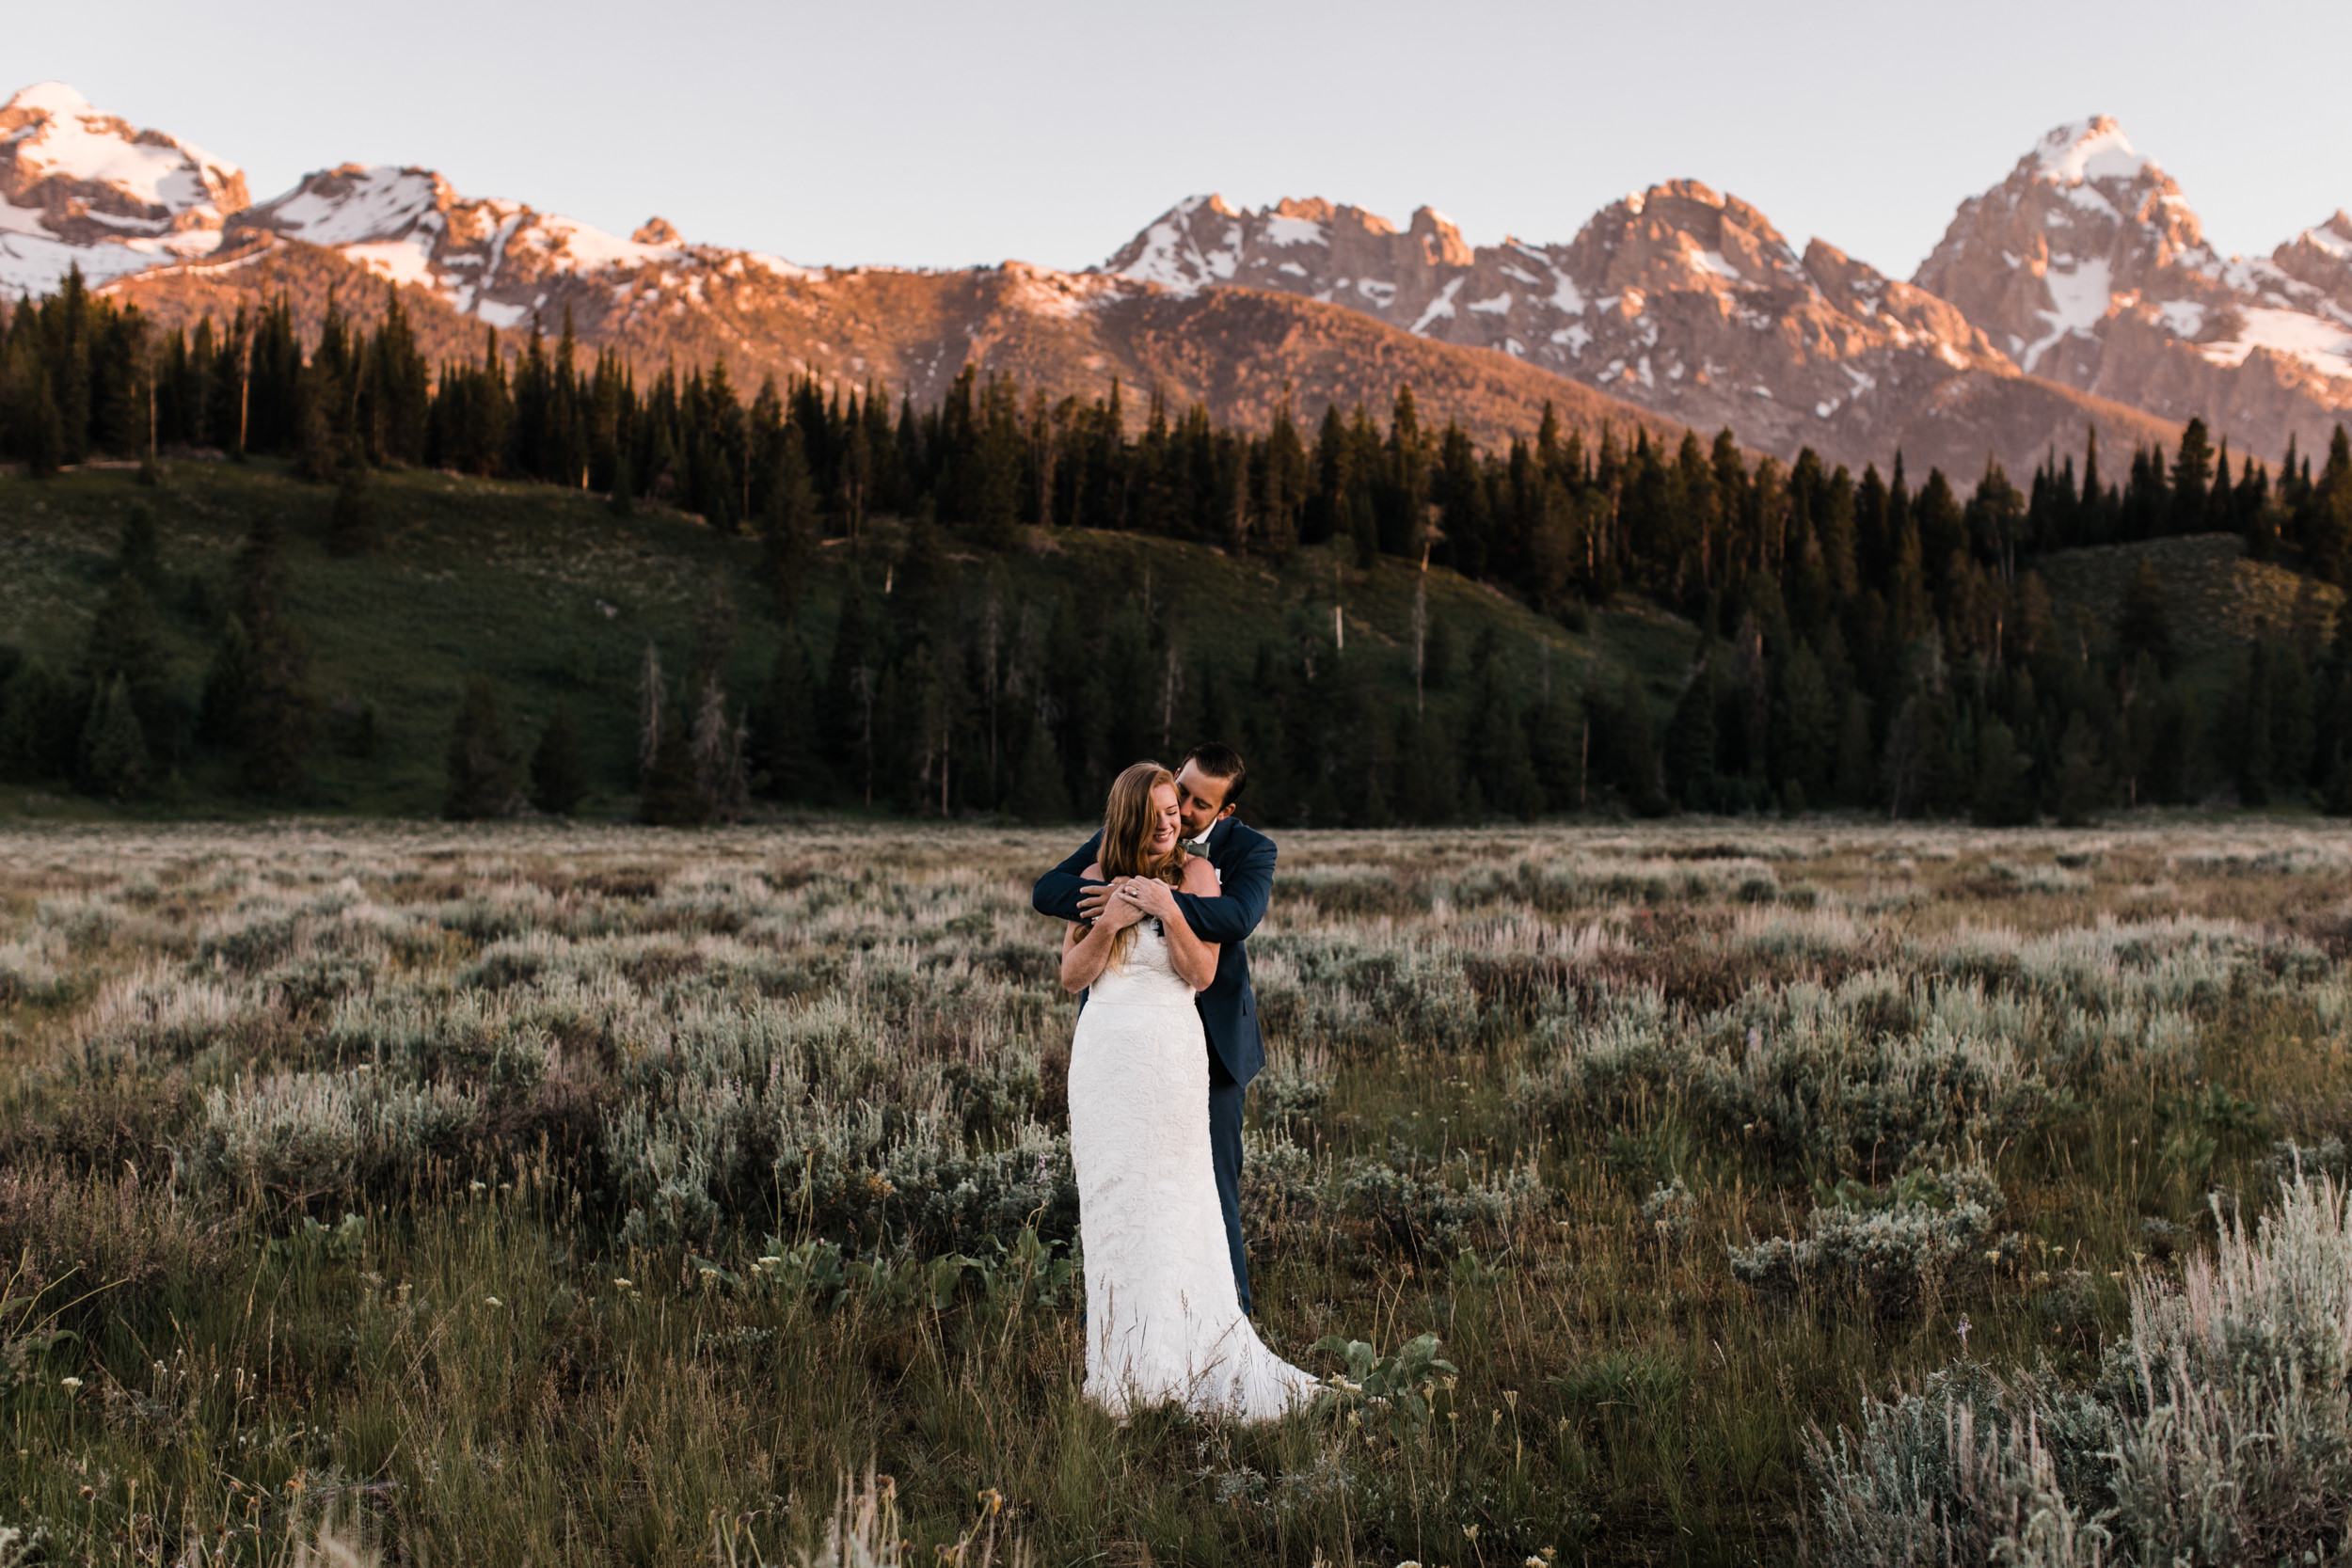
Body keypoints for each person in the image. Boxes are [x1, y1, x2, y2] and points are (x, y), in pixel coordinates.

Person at [1049, 758, 1309, 1419]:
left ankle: (1184, 1354)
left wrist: (1169, 908)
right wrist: (1108, 921)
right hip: (1106, 1059)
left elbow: (1199, 971)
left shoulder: (1198, 874)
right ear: (1135, 814)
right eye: (1163, 812)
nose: (1175, 822)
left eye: (1181, 811)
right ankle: (1119, 1368)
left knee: (1173, 1199)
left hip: (1169, 1055)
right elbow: (1072, 976)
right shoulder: (1094, 873)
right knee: (1112, 1203)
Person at [1033, 742, 1272, 1312]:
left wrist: (1164, 904)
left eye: (1194, 805)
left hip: (1202, 1043)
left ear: (1225, 813)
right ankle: (1131, 1318)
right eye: (1177, 794)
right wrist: (1114, 899)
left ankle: (1226, 1314)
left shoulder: (1242, 854)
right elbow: (1049, 891)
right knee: (1119, 1186)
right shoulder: (1124, 835)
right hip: (1114, 1046)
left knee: (1208, 1187)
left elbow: (1239, 918)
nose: (1180, 812)